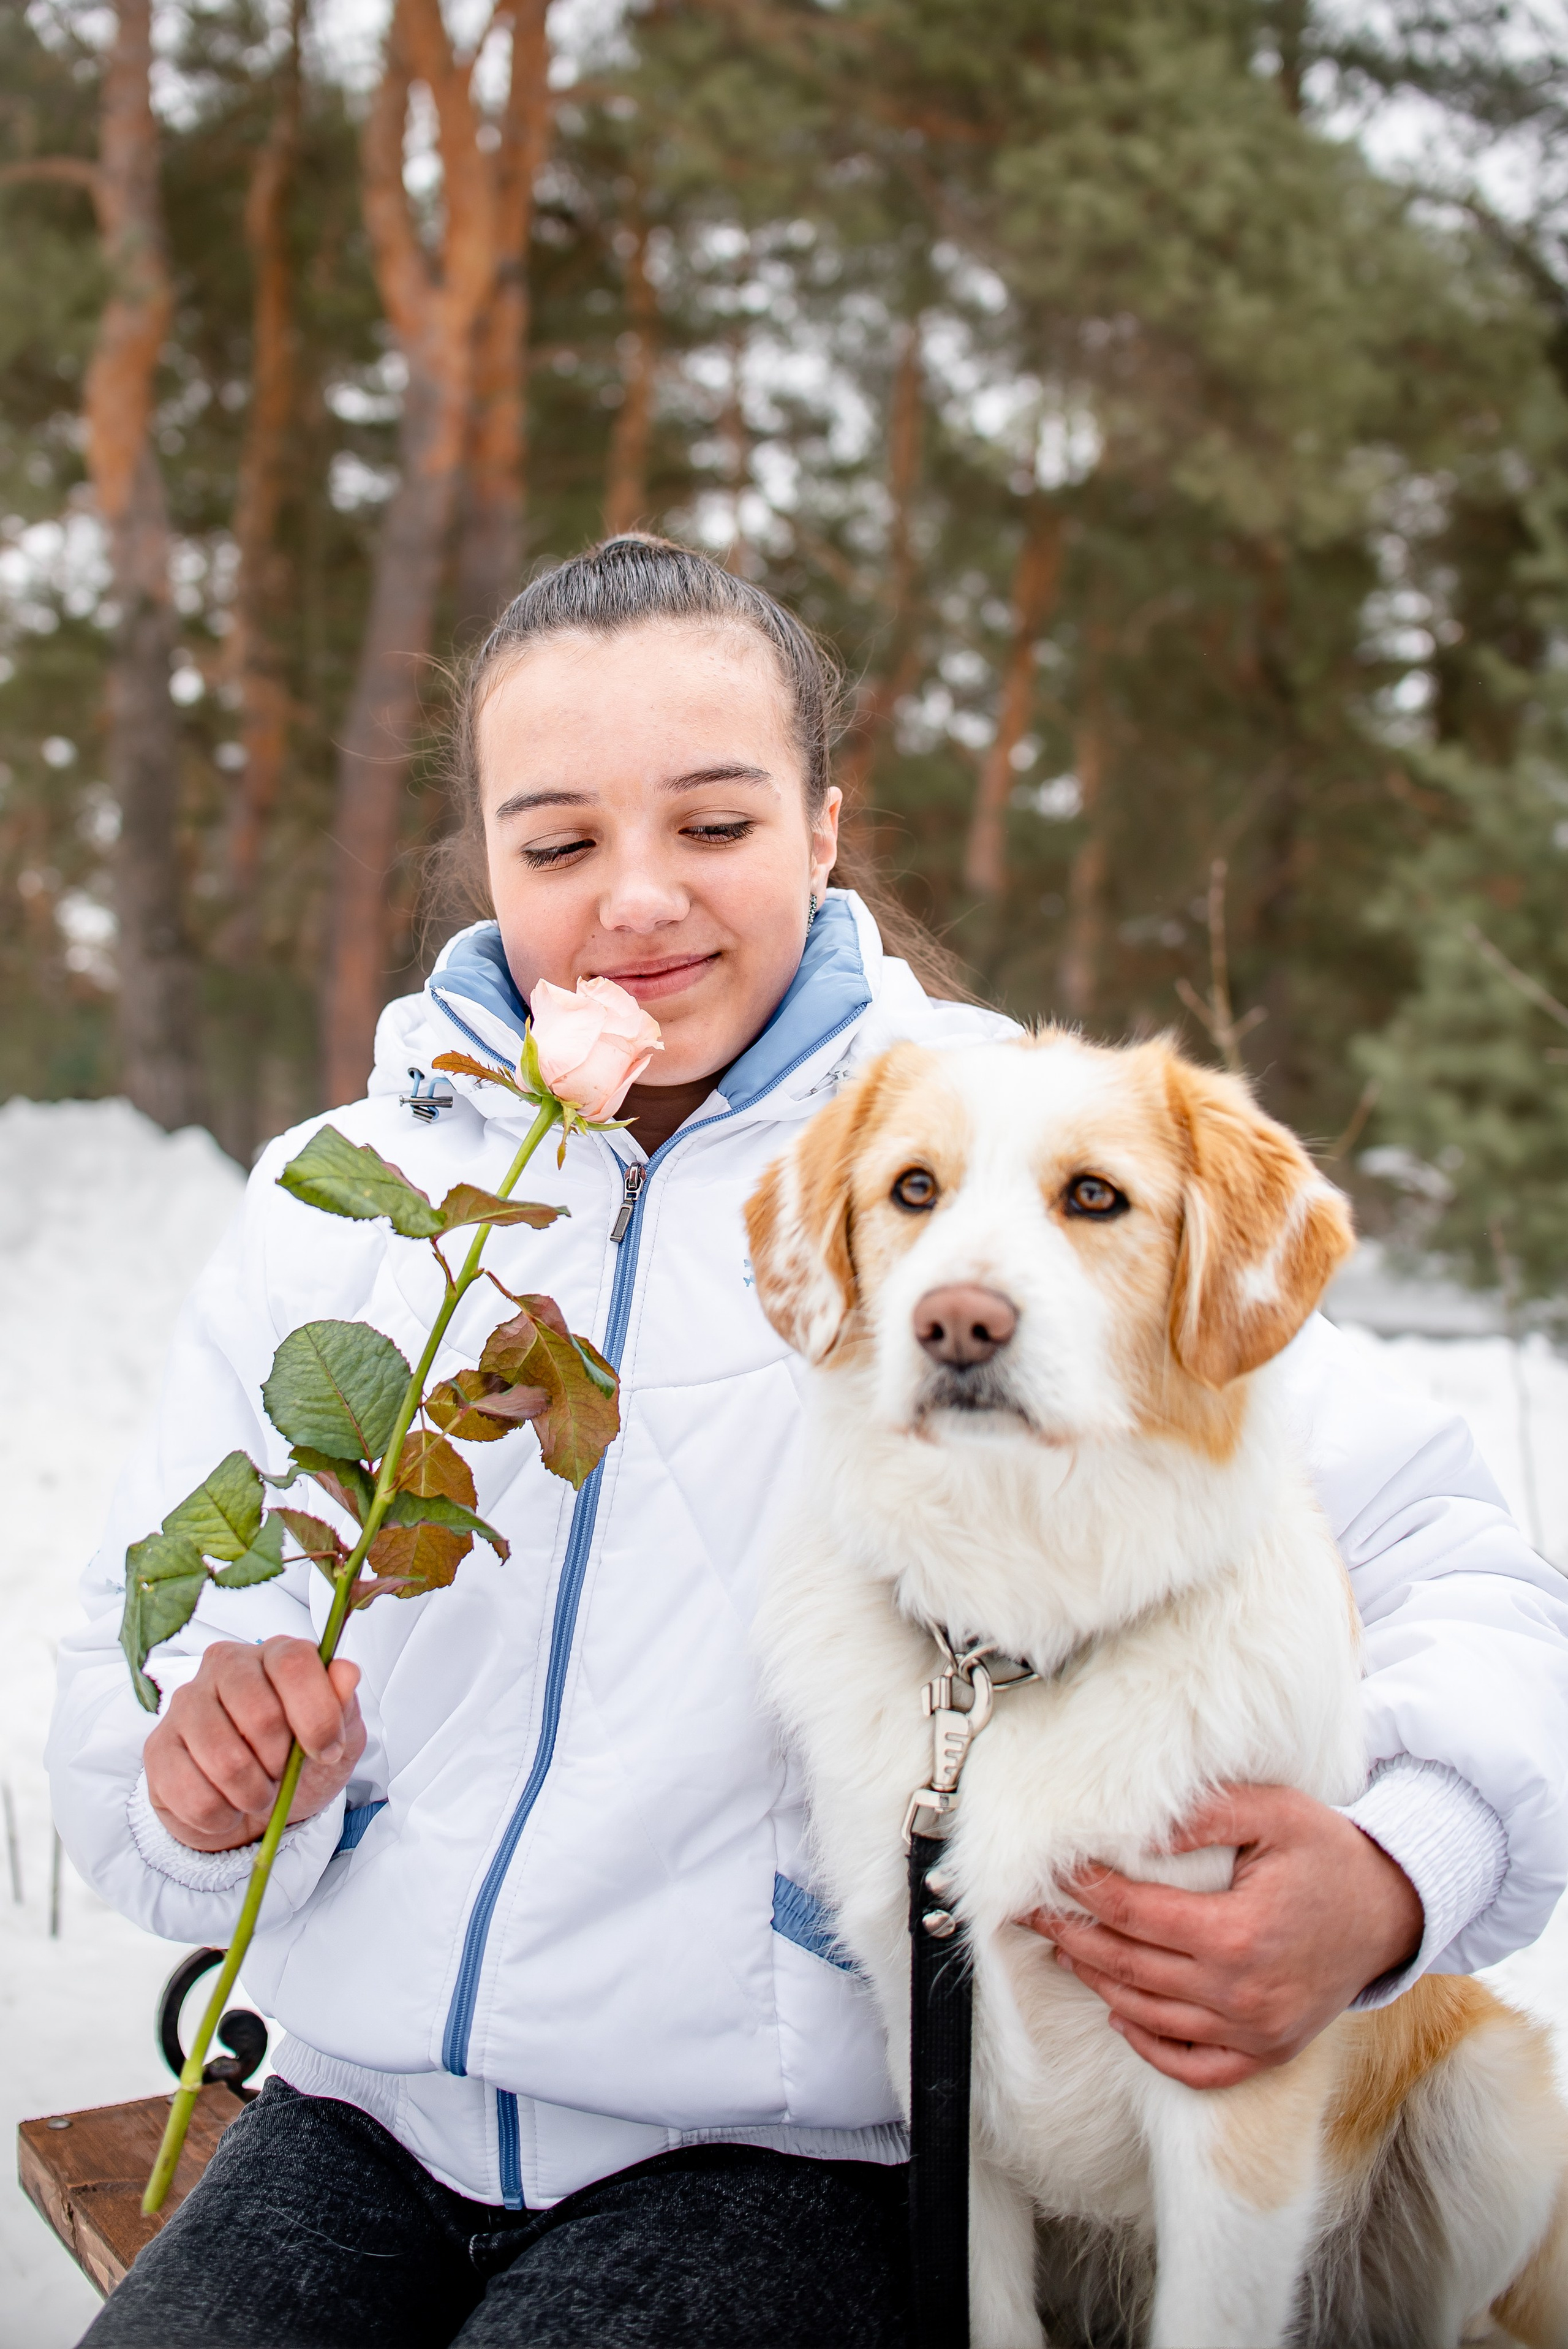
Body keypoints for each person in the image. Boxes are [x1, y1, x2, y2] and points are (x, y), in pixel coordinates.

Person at [50, 536, 1568, 2349]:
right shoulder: (347, 1196)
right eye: (557, 845)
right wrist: (195, 1780)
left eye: (715, 823)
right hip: (360, 2115)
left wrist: (1398, 1874)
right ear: (484, 861)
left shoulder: (989, 1155)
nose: (638, 901)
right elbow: (134, 1661)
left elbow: (1458, 1562)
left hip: (776, 2153)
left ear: (825, 827)